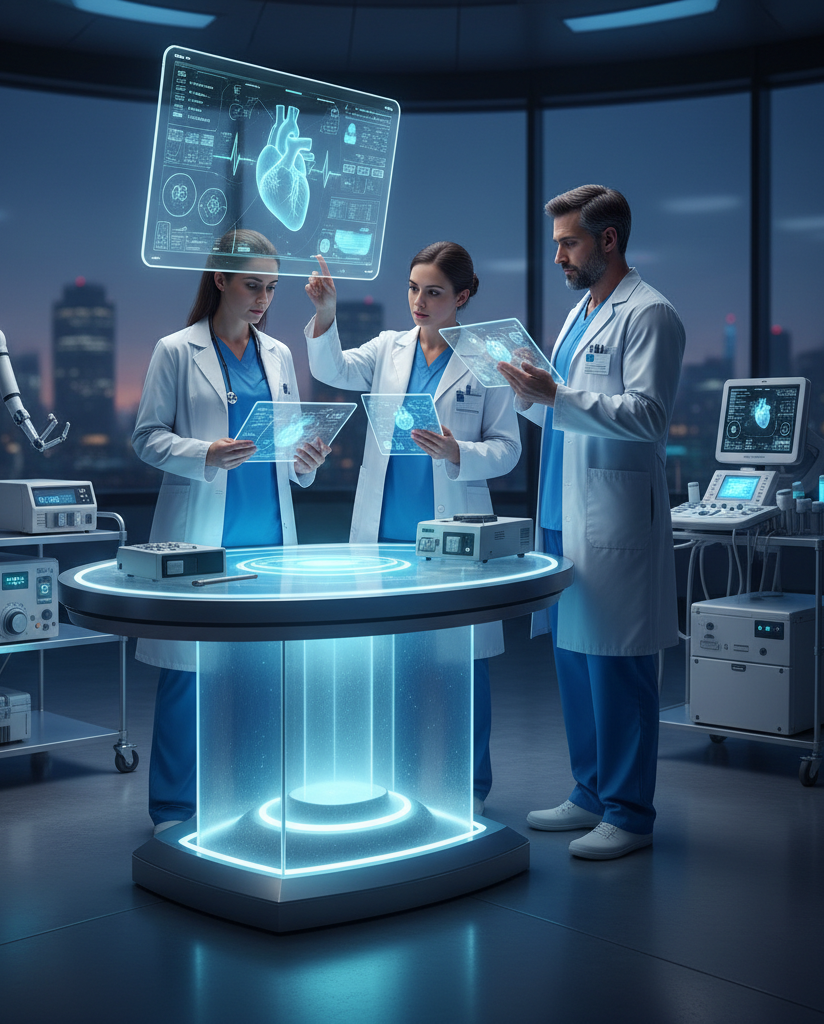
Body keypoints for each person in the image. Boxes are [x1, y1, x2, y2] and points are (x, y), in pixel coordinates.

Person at [497, 185, 685, 860]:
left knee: (620, 667)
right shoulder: (580, 312)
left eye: (569, 242)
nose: (559, 257)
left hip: (612, 518)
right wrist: (526, 393)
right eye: (556, 244)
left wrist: (557, 394)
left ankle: (630, 815)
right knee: (574, 661)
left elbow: (647, 417)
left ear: (609, 241)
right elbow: (561, 410)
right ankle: (589, 792)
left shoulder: (651, 314)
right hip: (561, 510)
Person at [304, 242, 522, 815]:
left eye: (434, 292)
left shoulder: (487, 357)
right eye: (413, 288)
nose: (419, 302)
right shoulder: (387, 349)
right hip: (386, 536)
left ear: (464, 297)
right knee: (393, 664)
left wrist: (458, 451)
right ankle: (399, 782)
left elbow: (507, 451)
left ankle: (469, 791)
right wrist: (327, 316)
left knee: (461, 666)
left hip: (453, 536)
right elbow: (331, 369)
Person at [132, 228, 330, 835]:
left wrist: (307, 461)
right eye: (253, 285)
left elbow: (288, 444)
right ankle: (174, 809)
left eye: (271, 287)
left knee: (263, 677)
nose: (264, 298)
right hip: (204, 538)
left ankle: (254, 796)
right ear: (219, 279)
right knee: (187, 677)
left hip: (268, 539)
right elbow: (147, 438)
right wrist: (205, 453)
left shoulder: (278, 355)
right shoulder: (175, 350)